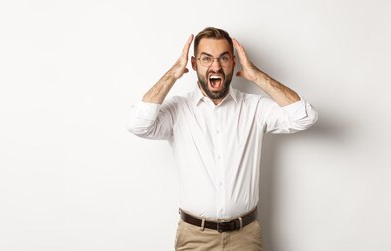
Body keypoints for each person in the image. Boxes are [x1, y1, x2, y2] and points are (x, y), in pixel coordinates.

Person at [126, 27, 318, 250]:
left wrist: (256, 75)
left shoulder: (255, 108)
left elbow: (305, 116)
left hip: (245, 237)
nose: (215, 66)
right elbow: (138, 125)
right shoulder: (178, 110)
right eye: (206, 59)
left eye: (223, 58)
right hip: (194, 238)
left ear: (233, 63)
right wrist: (174, 72)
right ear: (194, 64)